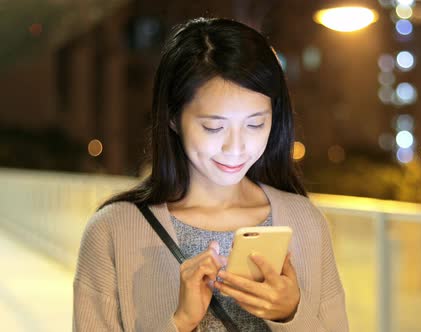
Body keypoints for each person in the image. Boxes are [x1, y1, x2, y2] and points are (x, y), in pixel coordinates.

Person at [73, 17, 349, 331]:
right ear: (173, 118)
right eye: (214, 126)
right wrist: (181, 323)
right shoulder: (113, 231)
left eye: (255, 124)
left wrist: (289, 316)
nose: (236, 147)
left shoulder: (305, 221)